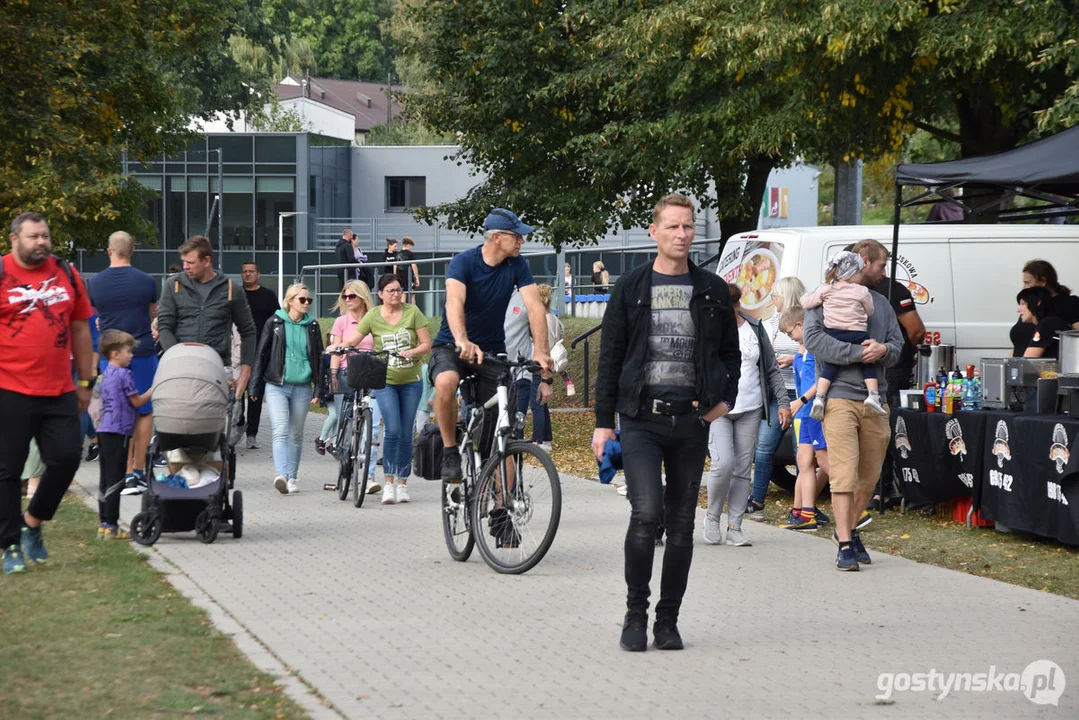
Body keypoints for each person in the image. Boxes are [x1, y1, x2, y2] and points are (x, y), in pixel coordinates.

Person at [591, 193, 741, 652]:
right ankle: (635, 613)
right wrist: (603, 422)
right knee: (646, 514)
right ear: (654, 231)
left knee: (680, 525)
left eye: (688, 227)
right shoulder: (632, 287)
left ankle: (667, 621)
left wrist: (720, 405)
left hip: (690, 424)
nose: (681, 235)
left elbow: (731, 357)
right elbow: (611, 357)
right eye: (672, 226)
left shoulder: (713, 288)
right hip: (641, 419)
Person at [0, 212, 95, 574]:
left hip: (59, 390)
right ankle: (9, 545)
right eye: (33, 236)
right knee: (7, 471)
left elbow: (82, 330)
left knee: (67, 458)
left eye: (45, 236)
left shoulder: (67, 274)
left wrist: (86, 381)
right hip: (9, 389)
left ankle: (33, 521)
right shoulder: (2, 273)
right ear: (14, 239)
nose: (41, 242)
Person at [430, 208, 551, 482]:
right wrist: (462, 339)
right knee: (446, 382)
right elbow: (454, 302)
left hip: (491, 353)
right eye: (517, 236)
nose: (522, 241)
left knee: (501, 438)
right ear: (496, 237)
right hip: (452, 345)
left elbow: (534, 307)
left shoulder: (517, 265)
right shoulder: (463, 262)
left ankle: (501, 513)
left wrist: (541, 349)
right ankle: (450, 450)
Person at [803, 258, 903, 571]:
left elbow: (898, 346)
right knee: (844, 474)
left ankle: (846, 529)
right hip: (837, 398)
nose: (882, 271)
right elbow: (815, 342)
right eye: (880, 264)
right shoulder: (822, 297)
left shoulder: (881, 304)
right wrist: (860, 354)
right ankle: (845, 544)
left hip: (875, 399)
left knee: (868, 479)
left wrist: (883, 351)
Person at [157, 236, 256, 490]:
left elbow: (248, 331)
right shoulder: (173, 286)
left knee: (215, 433)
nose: (186, 267)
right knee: (177, 428)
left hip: (217, 369)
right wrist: (176, 357)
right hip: (180, 370)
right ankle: (179, 485)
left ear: (207, 260)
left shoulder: (230, 288)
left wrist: (245, 370)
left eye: (190, 262)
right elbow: (165, 325)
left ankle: (211, 488)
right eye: (184, 262)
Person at [703, 283, 790, 547]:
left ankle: (735, 526)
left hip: (750, 408)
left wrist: (783, 402)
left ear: (738, 305)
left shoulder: (754, 328)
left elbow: (772, 369)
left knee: (742, 469)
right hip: (718, 408)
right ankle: (712, 515)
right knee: (723, 464)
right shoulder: (708, 330)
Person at [345, 274, 432, 504]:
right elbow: (354, 339)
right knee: (392, 429)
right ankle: (388, 484)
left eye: (399, 290)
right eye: (391, 290)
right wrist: (338, 346)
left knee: (405, 432)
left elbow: (426, 344)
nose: (397, 294)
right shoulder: (373, 316)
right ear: (381, 294)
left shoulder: (413, 312)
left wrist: (412, 353)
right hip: (386, 381)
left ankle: (402, 482)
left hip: (412, 381)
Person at [855, 239, 925, 510]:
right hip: (865, 372)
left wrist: (898, 352)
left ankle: (881, 489)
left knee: (884, 428)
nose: (885, 271)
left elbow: (915, 331)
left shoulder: (892, 290)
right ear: (865, 262)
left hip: (891, 368)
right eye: (882, 264)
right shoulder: (847, 292)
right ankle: (872, 488)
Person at [88, 231, 158, 496]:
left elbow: (97, 316)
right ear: (133, 251)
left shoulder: (94, 283)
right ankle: (137, 473)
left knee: (117, 412)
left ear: (109, 251)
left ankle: (122, 470)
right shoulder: (147, 281)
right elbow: (152, 311)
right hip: (142, 352)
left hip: (111, 357)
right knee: (145, 410)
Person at [250, 284, 324, 494]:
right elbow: (261, 354)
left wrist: (319, 388)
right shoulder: (274, 322)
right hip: (276, 385)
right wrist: (255, 386)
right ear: (290, 300)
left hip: (302, 386)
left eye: (309, 300)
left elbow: (319, 358)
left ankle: (292, 477)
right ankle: (281, 474)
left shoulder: (312, 326)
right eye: (302, 300)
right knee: (280, 430)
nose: (306, 304)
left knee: (296, 434)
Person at [801, 251, 886, 420]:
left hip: (834, 333)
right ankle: (873, 395)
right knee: (867, 362)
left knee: (831, 365)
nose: (862, 276)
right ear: (852, 274)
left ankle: (820, 397)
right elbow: (870, 310)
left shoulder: (826, 289)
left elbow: (807, 303)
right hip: (857, 333)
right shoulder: (861, 291)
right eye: (860, 272)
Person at [747, 276, 805, 519]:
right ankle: (757, 499)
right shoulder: (770, 323)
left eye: (776, 296)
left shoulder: (806, 321)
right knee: (764, 448)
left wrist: (793, 359)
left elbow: (810, 351)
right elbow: (765, 355)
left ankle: (802, 505)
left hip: (802, 393)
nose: (772, 300)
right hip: (777, 395)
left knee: (801, 451)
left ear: (786, 296)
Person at [320, 280, 383, 495]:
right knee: (344, 424)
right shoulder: (341, 322)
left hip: (371, 372)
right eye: (344, 297)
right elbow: (337, 349)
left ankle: (370, 475)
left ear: (362, 297)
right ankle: (345, 465)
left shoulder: (375, 318)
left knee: (372, 426)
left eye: (351, 296)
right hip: (348, 373)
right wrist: (334, 375)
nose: (347, 300)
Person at [776, 307, 831, 531]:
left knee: (826, 463)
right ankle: (803, 512)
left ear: (801, 325)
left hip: (812, 412)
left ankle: (853, 506)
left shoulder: (816, 347)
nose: (790, 337)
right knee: (804, 463)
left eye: (791, 332)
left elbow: (821, 379)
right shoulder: (803, 349)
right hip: (804, 416)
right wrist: (794, 357)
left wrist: (802, 400)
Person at [95, 329, 152, 539]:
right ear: (115, 354)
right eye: (128, 351)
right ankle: (112, 525)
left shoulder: (105, 374)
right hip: (119, 432)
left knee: (104, 477)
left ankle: (103, 523)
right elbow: (136, 402)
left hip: (103, 430)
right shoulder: (124, 374)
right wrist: (152, 390)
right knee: (117, 479)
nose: (131, 355)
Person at [1022, 260, 1079, 328]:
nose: (1024, 288)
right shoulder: (1032, 305)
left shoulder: (1070, 304)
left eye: (1027, 282)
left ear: (1043, 281)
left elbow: (1076, 335)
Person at [1016, 287, 1070, 359]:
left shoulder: (1047, 324)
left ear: (1038, 302)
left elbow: (1028, 361)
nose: (1018, 310)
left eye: (1023, 304)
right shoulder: (1051, 322)